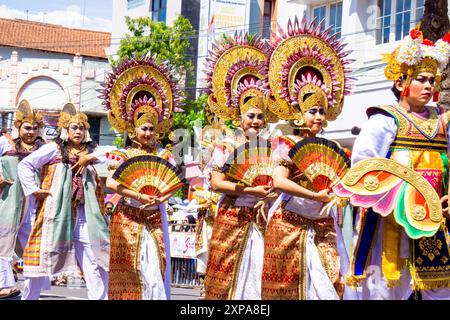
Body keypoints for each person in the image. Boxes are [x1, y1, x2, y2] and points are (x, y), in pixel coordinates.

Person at [347, 28, 450, 300]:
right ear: (400, 83)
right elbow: (364, 166)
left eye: (432, 80)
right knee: (385, 288)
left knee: (439, 290)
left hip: (436, 221)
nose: (429, 85)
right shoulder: (385, 119)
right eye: (421, 79)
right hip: (391, 220)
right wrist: (403, 198)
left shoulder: (443, 122)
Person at [260, 17, 353, 300]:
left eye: (322, 111)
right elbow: (279, 181)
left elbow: (344, 184)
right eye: (313, 110)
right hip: (289, 221)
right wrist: (316, 196)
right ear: (298, 110)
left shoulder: (331, 146)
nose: (319, 117)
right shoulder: (286, 143)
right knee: (287, 289)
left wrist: (335, 196)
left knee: (330, 282)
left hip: (323, 224)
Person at [203, 32, 279, 300]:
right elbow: (216, 183)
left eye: (260, 116)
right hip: (232, 215)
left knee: (259, 275)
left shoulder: (272, 148)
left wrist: (266, 196)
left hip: (261, 217)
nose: (256, 121)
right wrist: (249, 190)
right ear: (239, 117)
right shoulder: (225, 145)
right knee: (226, 278)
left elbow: (276, 183)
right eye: (251, 116)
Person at [102, 55, 183, 300]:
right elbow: (111, 183)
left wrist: (160, 198)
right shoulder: (122, 154)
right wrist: (137, 194)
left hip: (155, 217)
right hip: (127, 217)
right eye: (144, 128)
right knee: (130, 270)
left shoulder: (164, 154)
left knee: (156, 269)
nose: (148, 133)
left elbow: (174, 184)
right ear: (133, 129)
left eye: (152, 128)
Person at [18, 103, 112, 300]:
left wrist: (90, 157)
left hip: (86, 216)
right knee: (42, 259)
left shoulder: (92, 150)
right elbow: (25, 165)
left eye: (81, 128)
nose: (78, 131)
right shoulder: (53, 149)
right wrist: (35, 190)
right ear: (65, 130)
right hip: (56, 214)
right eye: (74, 128)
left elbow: (116, 154)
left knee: (95, 260)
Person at [0, 100, 47, 299]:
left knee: (34, 246)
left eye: (35, 128)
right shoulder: (5, 143)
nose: (31, 132)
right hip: (8, 201)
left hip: (34, 205)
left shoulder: (45, 148)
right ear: (18, 127)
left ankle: (33, 288)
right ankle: (4, 285)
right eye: (27, 128)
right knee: (3, 242)